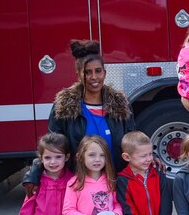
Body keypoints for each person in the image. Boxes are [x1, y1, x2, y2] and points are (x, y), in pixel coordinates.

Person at [23, 39, 136, 194]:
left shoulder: (120, 105)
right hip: (79, 185)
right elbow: (51, 145)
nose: (94, 77)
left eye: (98, 71)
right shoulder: (64, 107)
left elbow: (132, 140)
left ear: (105, 72)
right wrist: (34, 172)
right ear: (78, 75)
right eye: (87, 72)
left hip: (113, 182)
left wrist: (151, 157)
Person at [62, 135, 122, 215]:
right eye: (91, 155)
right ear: (80, 157)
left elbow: (117, 203)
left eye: (102, 155)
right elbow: (68, 211)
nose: (97, 159)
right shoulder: (74, 183)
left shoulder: (111, 180)